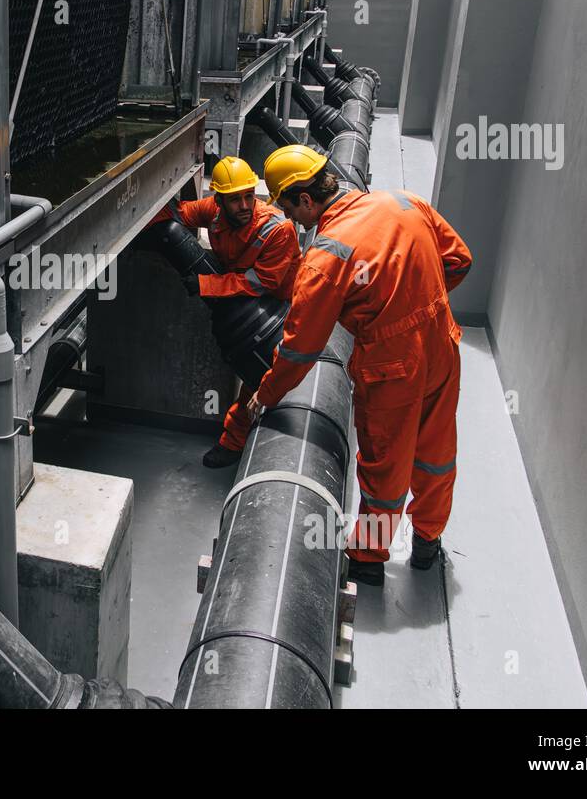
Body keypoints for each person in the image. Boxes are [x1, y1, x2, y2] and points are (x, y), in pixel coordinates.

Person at [246, 144, 472, 586]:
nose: (293, 222)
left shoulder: (327, 255)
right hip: (442, 345)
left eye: (291, 210)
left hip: (391, 366)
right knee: (436, 451)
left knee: (385, 463)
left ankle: (369, 557)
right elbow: (460, 260)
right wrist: (416, 296)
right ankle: (428, 541)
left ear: (305, 199)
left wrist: (265, 394)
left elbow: (300, 349)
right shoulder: (407, 202)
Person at [152, 155, 300, 468]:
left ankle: (233, 443)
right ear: (219, 199)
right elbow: (177, 214)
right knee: (253, 378)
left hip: (279, 310)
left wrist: (207, 284)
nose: (245, 205)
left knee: (258, 380)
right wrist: (140, 225)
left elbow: (262, 282)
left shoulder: (278, 230)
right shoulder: (215, 213)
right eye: (235, 200)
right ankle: (233, 442)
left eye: (249, 196)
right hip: (243, 303)